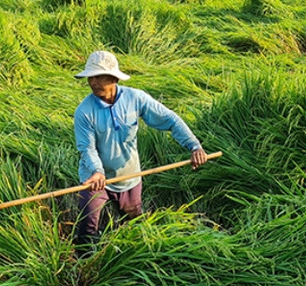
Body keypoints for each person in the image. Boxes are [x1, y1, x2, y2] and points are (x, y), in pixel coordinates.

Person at [73, 50, 208, 249]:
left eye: (98, 76)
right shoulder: (84, 112)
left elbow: (169, 119)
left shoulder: (135, 99)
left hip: (129, 176)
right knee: (87, 225)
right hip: (95, 179)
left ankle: (133, 257)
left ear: (113, 77)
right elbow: (87, 148)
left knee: (134, 223)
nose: (92, 82)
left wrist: (194, 145)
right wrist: (97, 172)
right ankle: (84, 262)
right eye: (90, 77)